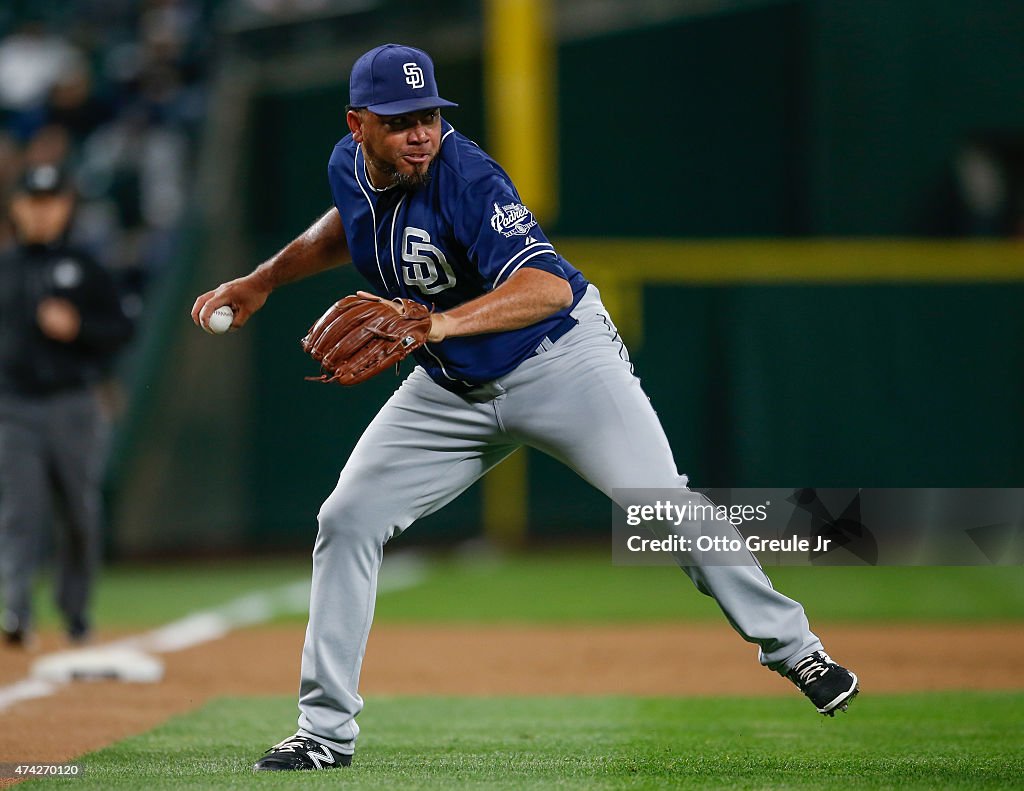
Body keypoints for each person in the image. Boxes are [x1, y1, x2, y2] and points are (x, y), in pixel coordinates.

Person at [192, 44, 860, 772]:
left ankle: (798, 650)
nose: (421, 131)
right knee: (345, 518)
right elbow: (343, 226)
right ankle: (323, 732)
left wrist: (438, 323)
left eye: (429, 115)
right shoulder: (346, 166)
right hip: (451, 387)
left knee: (663, 506)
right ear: (359, 126)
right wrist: (263, 278)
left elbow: (545, 285)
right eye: (399, 121)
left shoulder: (467, 175)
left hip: (560, 362)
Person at [0, 163, 133, 647]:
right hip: (13, 407)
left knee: (78, 512)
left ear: (66, 206)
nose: (41, 212)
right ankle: (17, 614)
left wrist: (79, 329)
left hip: (73, 403)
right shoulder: (6, 267)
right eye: (33, 202)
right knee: (20, 512)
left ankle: (75, 612)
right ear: (17, 207)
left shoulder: (87, 266)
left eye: (51, 201)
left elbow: (122, 330)